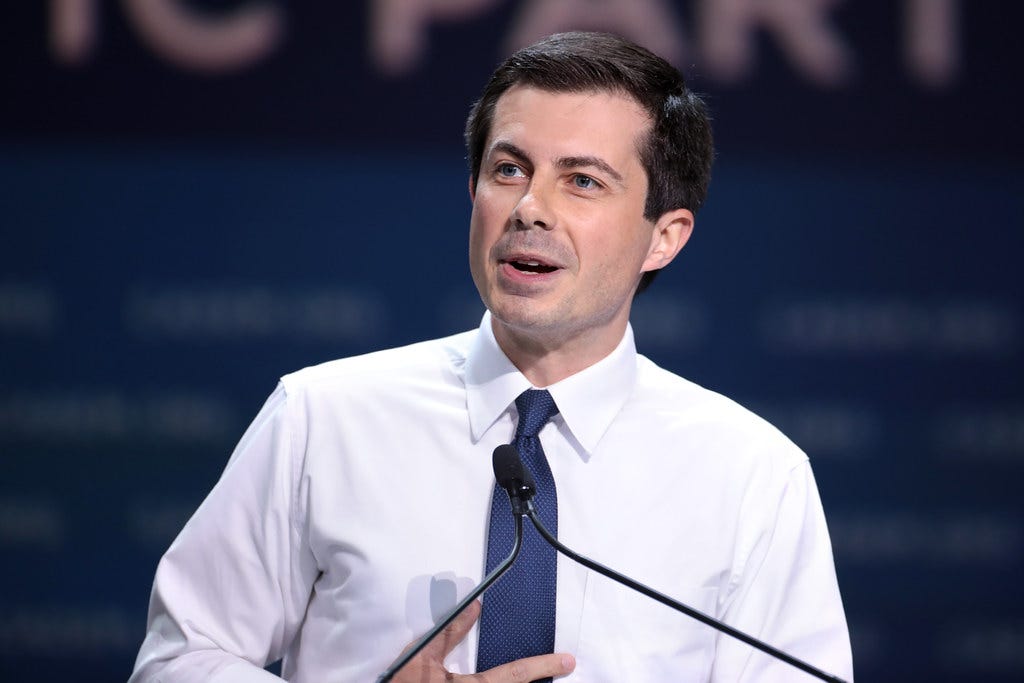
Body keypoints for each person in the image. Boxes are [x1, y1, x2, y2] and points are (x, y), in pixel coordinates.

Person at [129, 31, 853, 683]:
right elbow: (178, 658)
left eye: (583, 181)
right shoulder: (324, 418)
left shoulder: (751, 474)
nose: (530, 208)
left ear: (664, 236)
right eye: (509, 169)